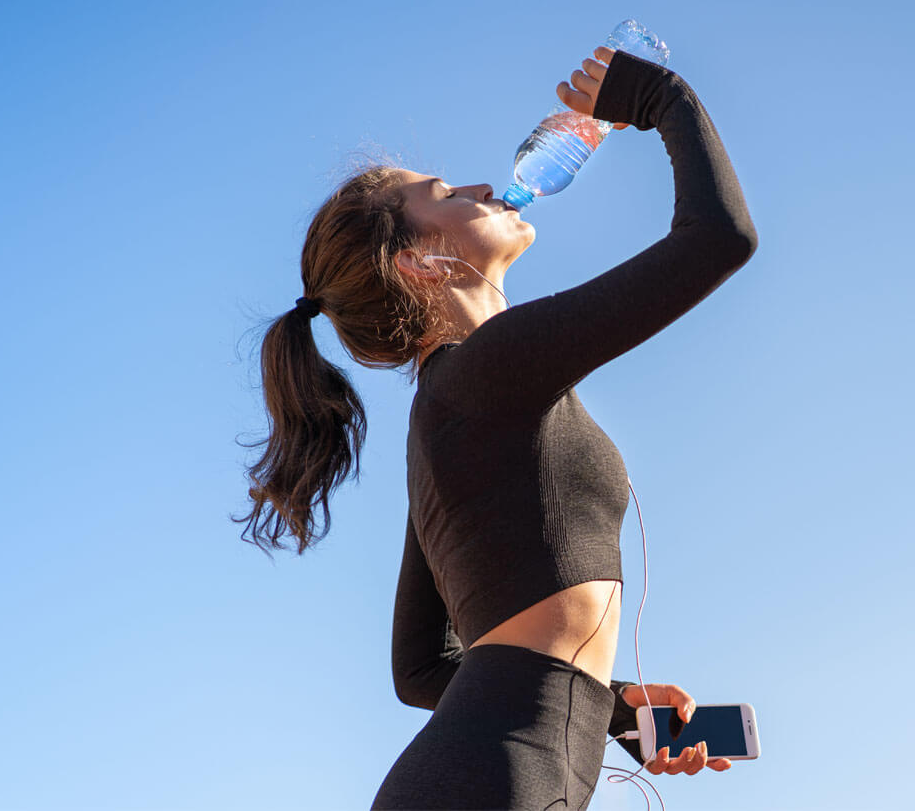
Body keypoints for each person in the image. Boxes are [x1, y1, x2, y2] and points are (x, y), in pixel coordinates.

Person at [235, 45, 757, 809]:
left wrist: (614, 711)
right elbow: (719, 239)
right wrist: (663, 98)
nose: (481, 185)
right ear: (418, 263)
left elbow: (419, 670)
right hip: (496, 780)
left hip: (484, 774)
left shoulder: (450, 410)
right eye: (445, 192)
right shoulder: (484, 370)